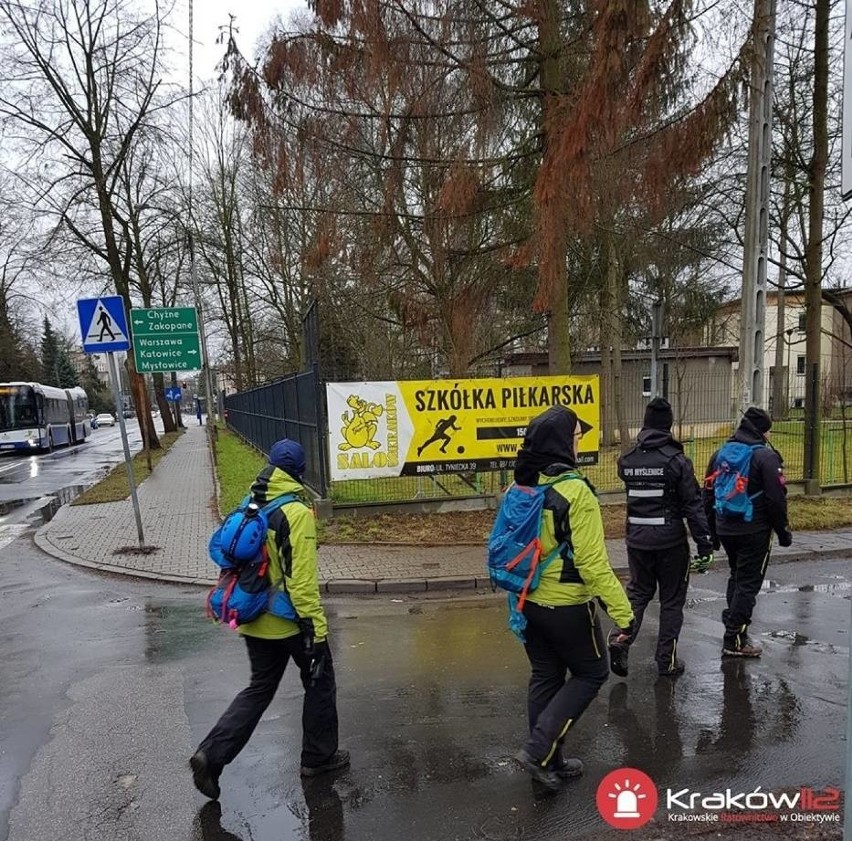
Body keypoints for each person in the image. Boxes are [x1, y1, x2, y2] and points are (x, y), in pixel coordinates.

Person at [190, 439, 348, 800]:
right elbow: (302, 582)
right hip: (290, 623)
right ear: (299, 472)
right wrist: (316, 630)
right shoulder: (295, 513)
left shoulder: (250, 504)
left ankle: (211, 755)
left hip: (252, 617)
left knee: (259, 688)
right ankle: (318, 758)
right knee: (320, 684)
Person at [511, 405, 634, 790]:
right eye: (577, 437)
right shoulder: (575, 492)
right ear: (563, 443)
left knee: (546, 676)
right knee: (592, 672)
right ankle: (538, 750)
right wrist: (624, 613)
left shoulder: (523, 486)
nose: (580, 443)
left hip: (528, 603)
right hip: (566, 606)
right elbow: (593, 564)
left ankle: (549, 759)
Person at [612, 397, 714, 677]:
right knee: (671, 601)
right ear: (668, 425)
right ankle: (666, 661)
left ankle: (620, 639)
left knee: (638, 593)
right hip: (670, 543)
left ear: (645, 424)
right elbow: (693, 505)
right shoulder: (677, 461)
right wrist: (705, 544)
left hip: (636, 540)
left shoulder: (627, 460)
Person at [702, 407, 791, 658]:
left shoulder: (720, 453)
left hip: (725, 526)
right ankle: (734, 638)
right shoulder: (765, 457)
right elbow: (776, 500)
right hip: (755, 530)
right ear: (763, 431)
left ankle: (735, 625)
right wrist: (782, 532)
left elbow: (707, 493)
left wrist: (713, 532)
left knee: (737, 576)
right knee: (748, 584)